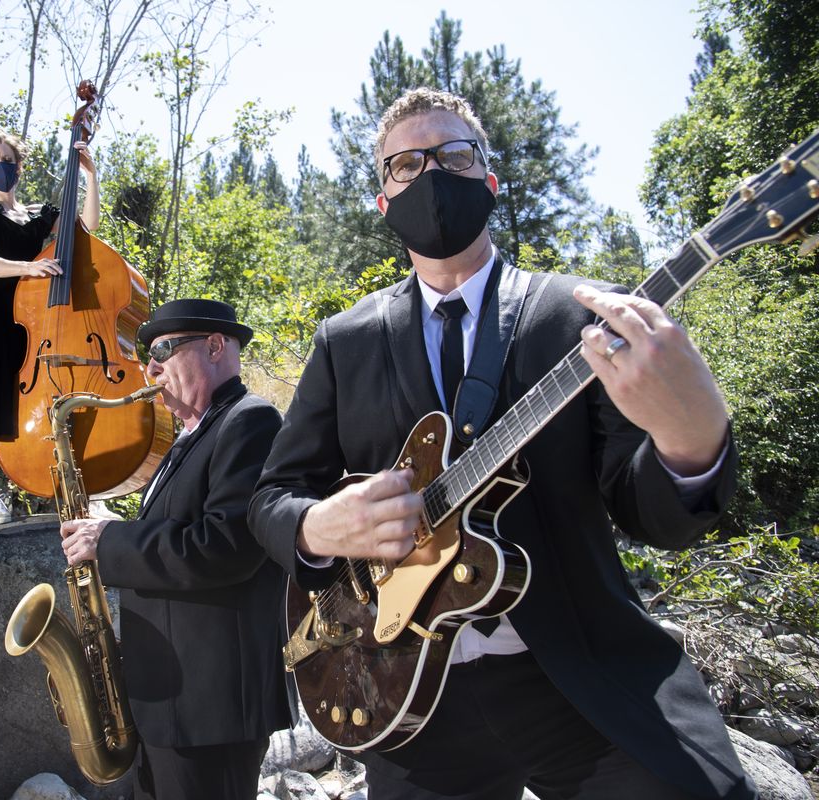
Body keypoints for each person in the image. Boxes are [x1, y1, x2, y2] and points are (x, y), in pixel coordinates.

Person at [248, 88, 758, 800]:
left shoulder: (577, 317)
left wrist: (692, 437)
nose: (431, 174)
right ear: (382, 201)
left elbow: (655, 517)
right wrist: (318, 524)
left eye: (454, 156)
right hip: (406, 694)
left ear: (489, 180)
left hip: (579, 678)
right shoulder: (346, 341)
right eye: (406, 165)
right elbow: (272, 498)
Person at [59, 299, 291, 799]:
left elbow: (225, 546)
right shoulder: (188, 438)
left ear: (214, 347)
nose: (150, 367)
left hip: (210, 711)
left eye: (164, 348)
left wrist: (110, 539)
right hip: (168, 703)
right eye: (148, 354)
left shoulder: (250, 422)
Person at [0, 125, 101, 525]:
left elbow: (88, 225)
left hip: (36, 317)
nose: (1, 167)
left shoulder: (38, 214)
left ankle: (62, 485)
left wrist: (89, 175)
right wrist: (31, 267)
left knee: (39, 397)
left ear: (20, 166)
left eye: (7, 160)